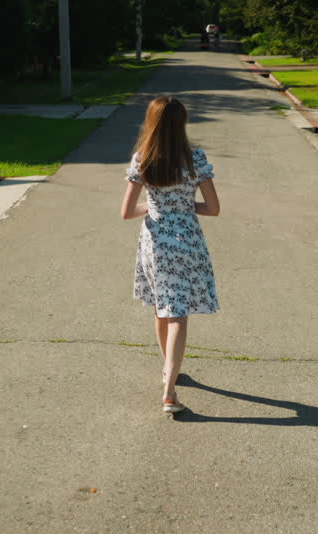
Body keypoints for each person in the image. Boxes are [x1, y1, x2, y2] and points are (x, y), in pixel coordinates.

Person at [120, 96, 220, 414]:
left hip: (154, 242)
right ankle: (169, 390)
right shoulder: (195, 159)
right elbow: (213, 208)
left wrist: (155, 207)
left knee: (162, 309)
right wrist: (184, 206)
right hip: (187, 241)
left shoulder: (143, 160)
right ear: (182, 124)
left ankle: (168, 369)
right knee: (178, 315)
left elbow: (126, 212)